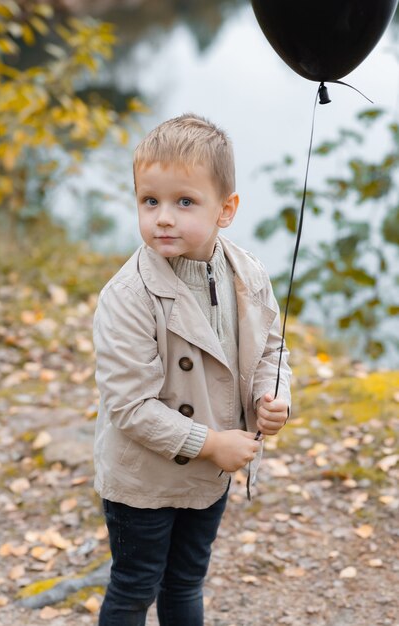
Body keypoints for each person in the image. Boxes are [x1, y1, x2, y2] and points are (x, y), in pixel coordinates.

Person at [93, 113, 291, 626]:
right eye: (149, 201)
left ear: (226, 209)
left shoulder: (246, 272)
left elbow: (272, 346)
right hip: (145, 478)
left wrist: (276, 397)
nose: (163, 217)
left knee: (185, 582)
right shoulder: (128, 297)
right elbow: (130, 407)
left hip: (208, 474)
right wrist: (213, 444)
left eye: (184, 202)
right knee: (135, 586)